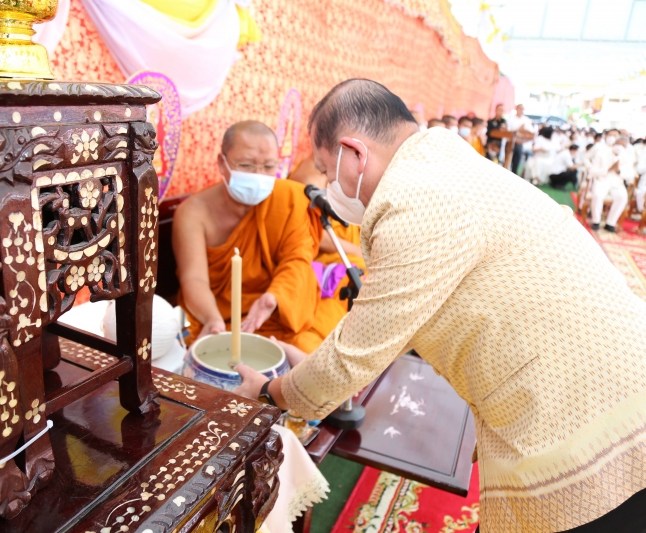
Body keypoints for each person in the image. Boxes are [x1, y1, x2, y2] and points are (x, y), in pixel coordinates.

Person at [234, 79, 646, 533]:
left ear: (355, 153)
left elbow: (353, 358)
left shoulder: (414, 202)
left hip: (589, 422)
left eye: (328, 173)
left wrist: (271, 392)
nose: (330, 188)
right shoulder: (443, 163)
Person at [173, 121, 332, 352]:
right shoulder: (193, 212)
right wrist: (213, 320)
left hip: (278, 314)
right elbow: (194, 279)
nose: (259, 175)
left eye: (269, 166)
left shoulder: (289, 200)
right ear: (222, 163)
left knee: (308, 356)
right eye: (246, 165)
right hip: (218, 314)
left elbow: (297, 261)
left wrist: (274, 298)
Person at [288, 157, 366, 315]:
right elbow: (312, 233)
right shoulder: (312, 175)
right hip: (325, 267)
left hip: (355, 258)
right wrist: (360, 252)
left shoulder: (349, 169)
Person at [589, 132, 631, 232]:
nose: (620, 147)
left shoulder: (627, 157)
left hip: (617, 184)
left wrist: (618, 170)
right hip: (601, 180)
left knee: (622, 197)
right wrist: (608, 169)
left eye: (623, 145)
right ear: (614, 143)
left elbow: (630, 175)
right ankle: (596, 221)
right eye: (618, 144)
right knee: (598, 195)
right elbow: (592, 171)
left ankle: (610, 223)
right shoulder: (601, 153)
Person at [505, 104, 536, 175]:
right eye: (520, 108)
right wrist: (519, 130)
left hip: (520, 144)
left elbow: (531, 134)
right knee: (507, 161)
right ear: (516, 108)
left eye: (523, 109)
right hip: (510, 142)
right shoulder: (510, 118)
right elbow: (509, 131)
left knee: (516, 162)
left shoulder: (526, 120)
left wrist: (522, 138)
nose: (521, 110)